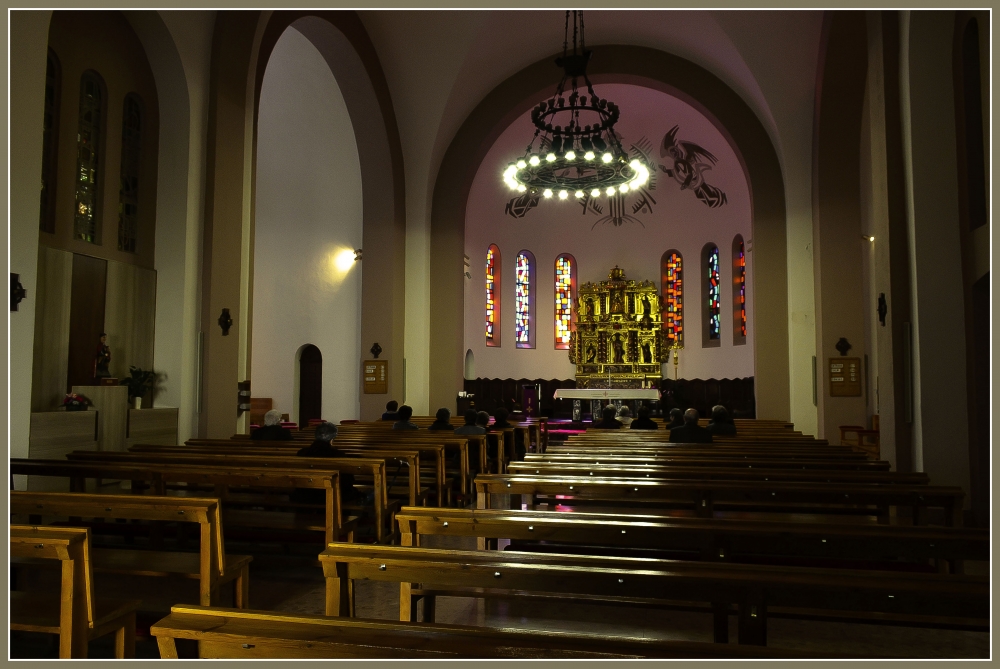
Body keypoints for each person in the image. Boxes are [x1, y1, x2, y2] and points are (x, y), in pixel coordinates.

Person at [295, 422, 357, 501]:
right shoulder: (338, 455)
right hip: (331, 495)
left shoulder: (302, 453)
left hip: (304, 495)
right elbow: (347, 480)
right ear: (332, 440)